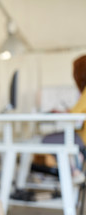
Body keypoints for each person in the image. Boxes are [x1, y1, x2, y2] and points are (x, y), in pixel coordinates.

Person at [42, 54, 86, 182]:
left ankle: (73, 168)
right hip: (80, 136)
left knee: (46, 140)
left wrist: (62, 113)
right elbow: (76, 111)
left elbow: (74, 114)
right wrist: (65, 112)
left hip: (82, 138)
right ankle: (73, 167)